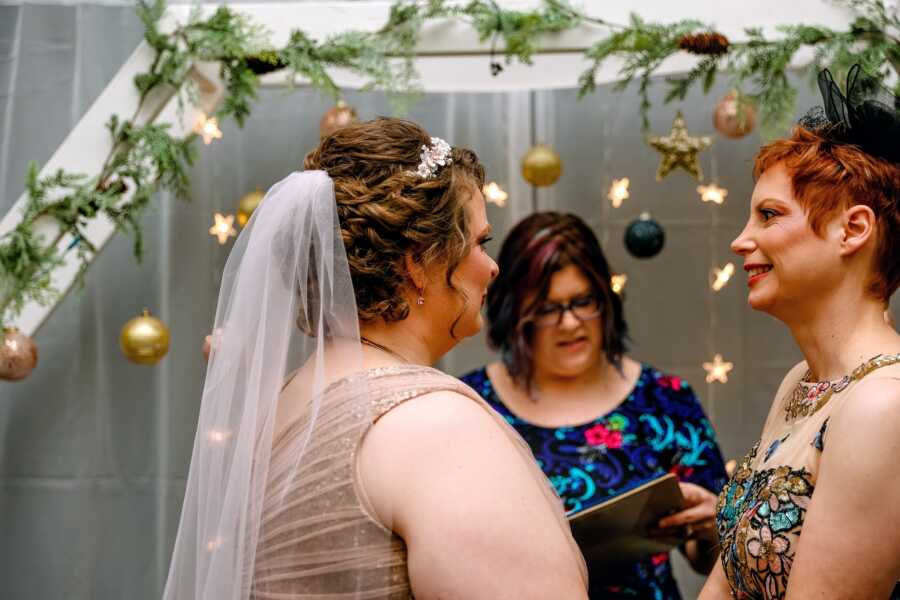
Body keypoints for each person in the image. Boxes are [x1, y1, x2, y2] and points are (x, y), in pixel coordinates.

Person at [162, 118, 588, 600]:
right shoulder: (434, 427)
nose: (491, 267)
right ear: (417, 263)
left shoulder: (287, 407)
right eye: (479, 242)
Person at [700, 66, 900, 599]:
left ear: (852, 229)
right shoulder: (801, 382)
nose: (742, 241)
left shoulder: (883, 405)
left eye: (768, 215)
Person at [461, 212, 727, 599]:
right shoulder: (472, 406)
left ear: (606, 300)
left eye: (583, 301)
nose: (570, 324)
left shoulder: (664, 399)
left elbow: (710, 560)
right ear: (514, 314)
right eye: (548, 308)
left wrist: (710, 527)